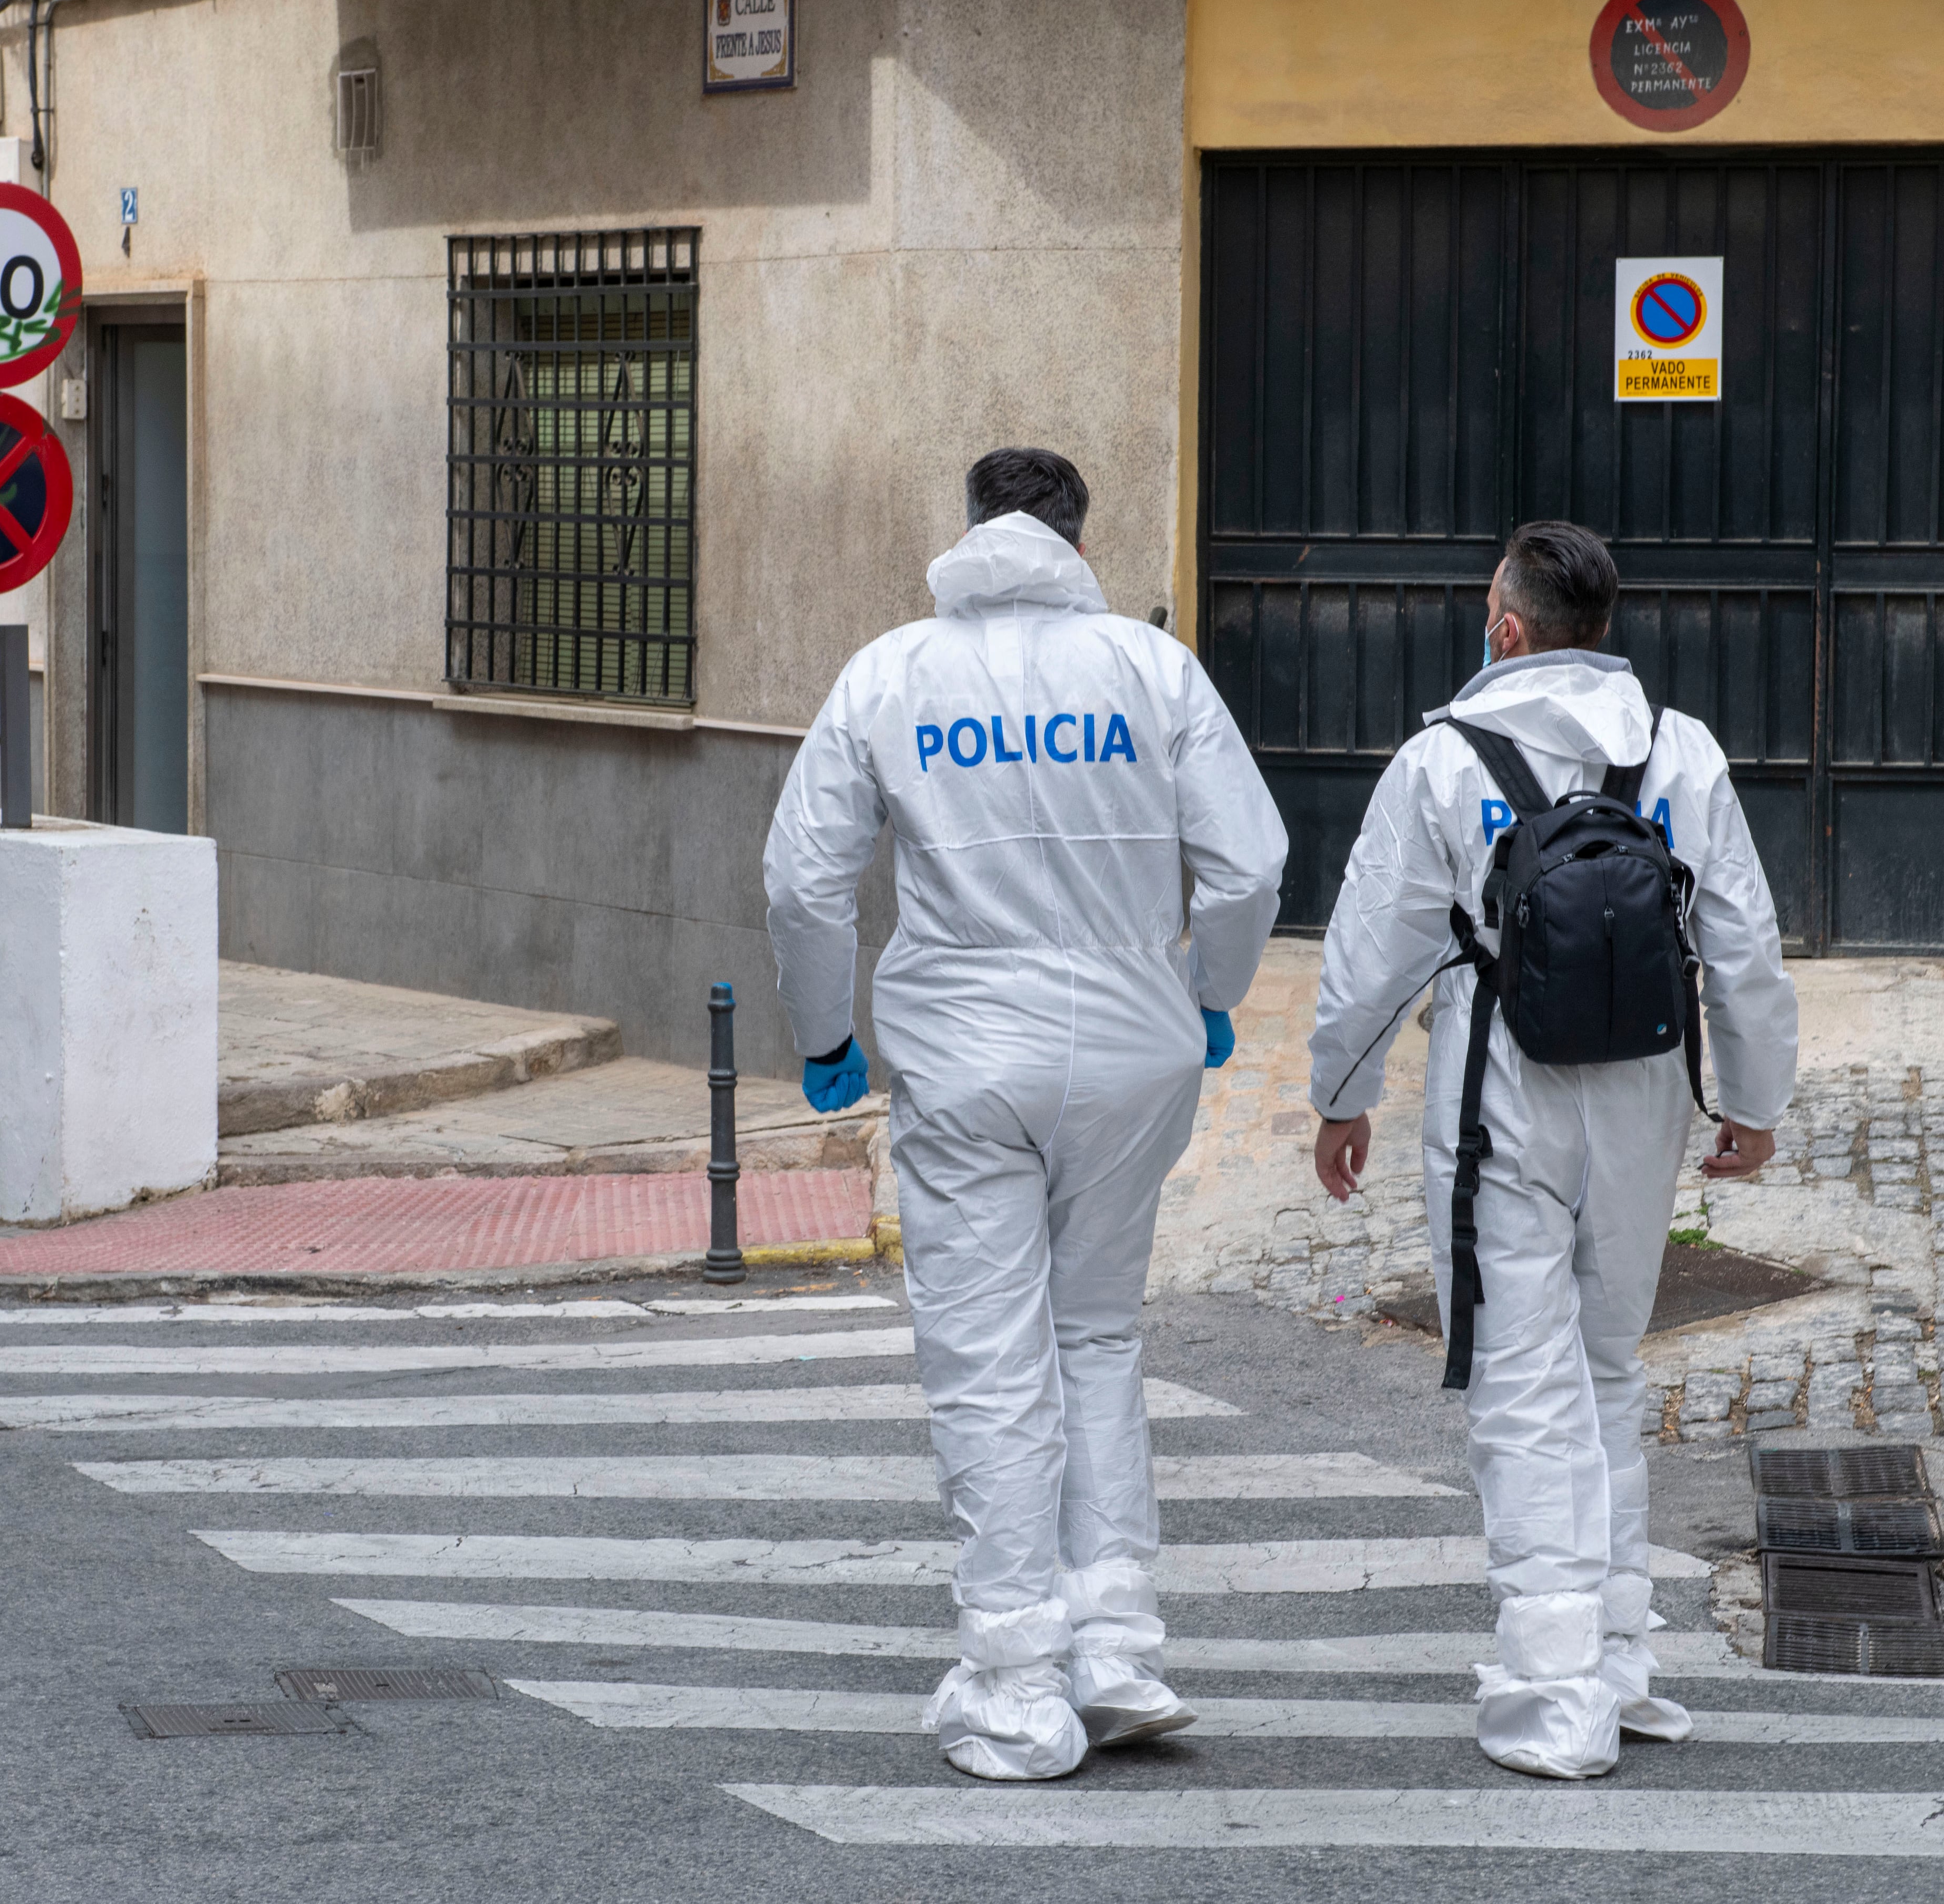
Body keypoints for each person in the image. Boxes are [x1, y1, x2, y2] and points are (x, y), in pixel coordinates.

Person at [765, 448, 1288, 1780]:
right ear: (1073, 534)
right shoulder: (1148, 668)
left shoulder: (891, 671)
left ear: (971, 528)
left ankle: (1015, 1679)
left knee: (992, 1361)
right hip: (1130, 1050)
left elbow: (803, 882)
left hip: (963, 1055)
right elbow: (1251, 860)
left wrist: (825, 1030)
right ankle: (1115, 1640)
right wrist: (1207, 990)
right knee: (1098, 1335)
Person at [1308, 520, 1796, 1780]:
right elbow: (1739, 936)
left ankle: (1552, 1685)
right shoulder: (1677, 750)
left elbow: (1371, 952)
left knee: (1522, 1383)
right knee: (1603, 1369)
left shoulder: (1438, 761)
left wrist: (1340, 1093)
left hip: (1499, 1090)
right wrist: (1752, 1097)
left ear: (1507, 627)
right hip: (1643, 1087)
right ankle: (1620, 1660)